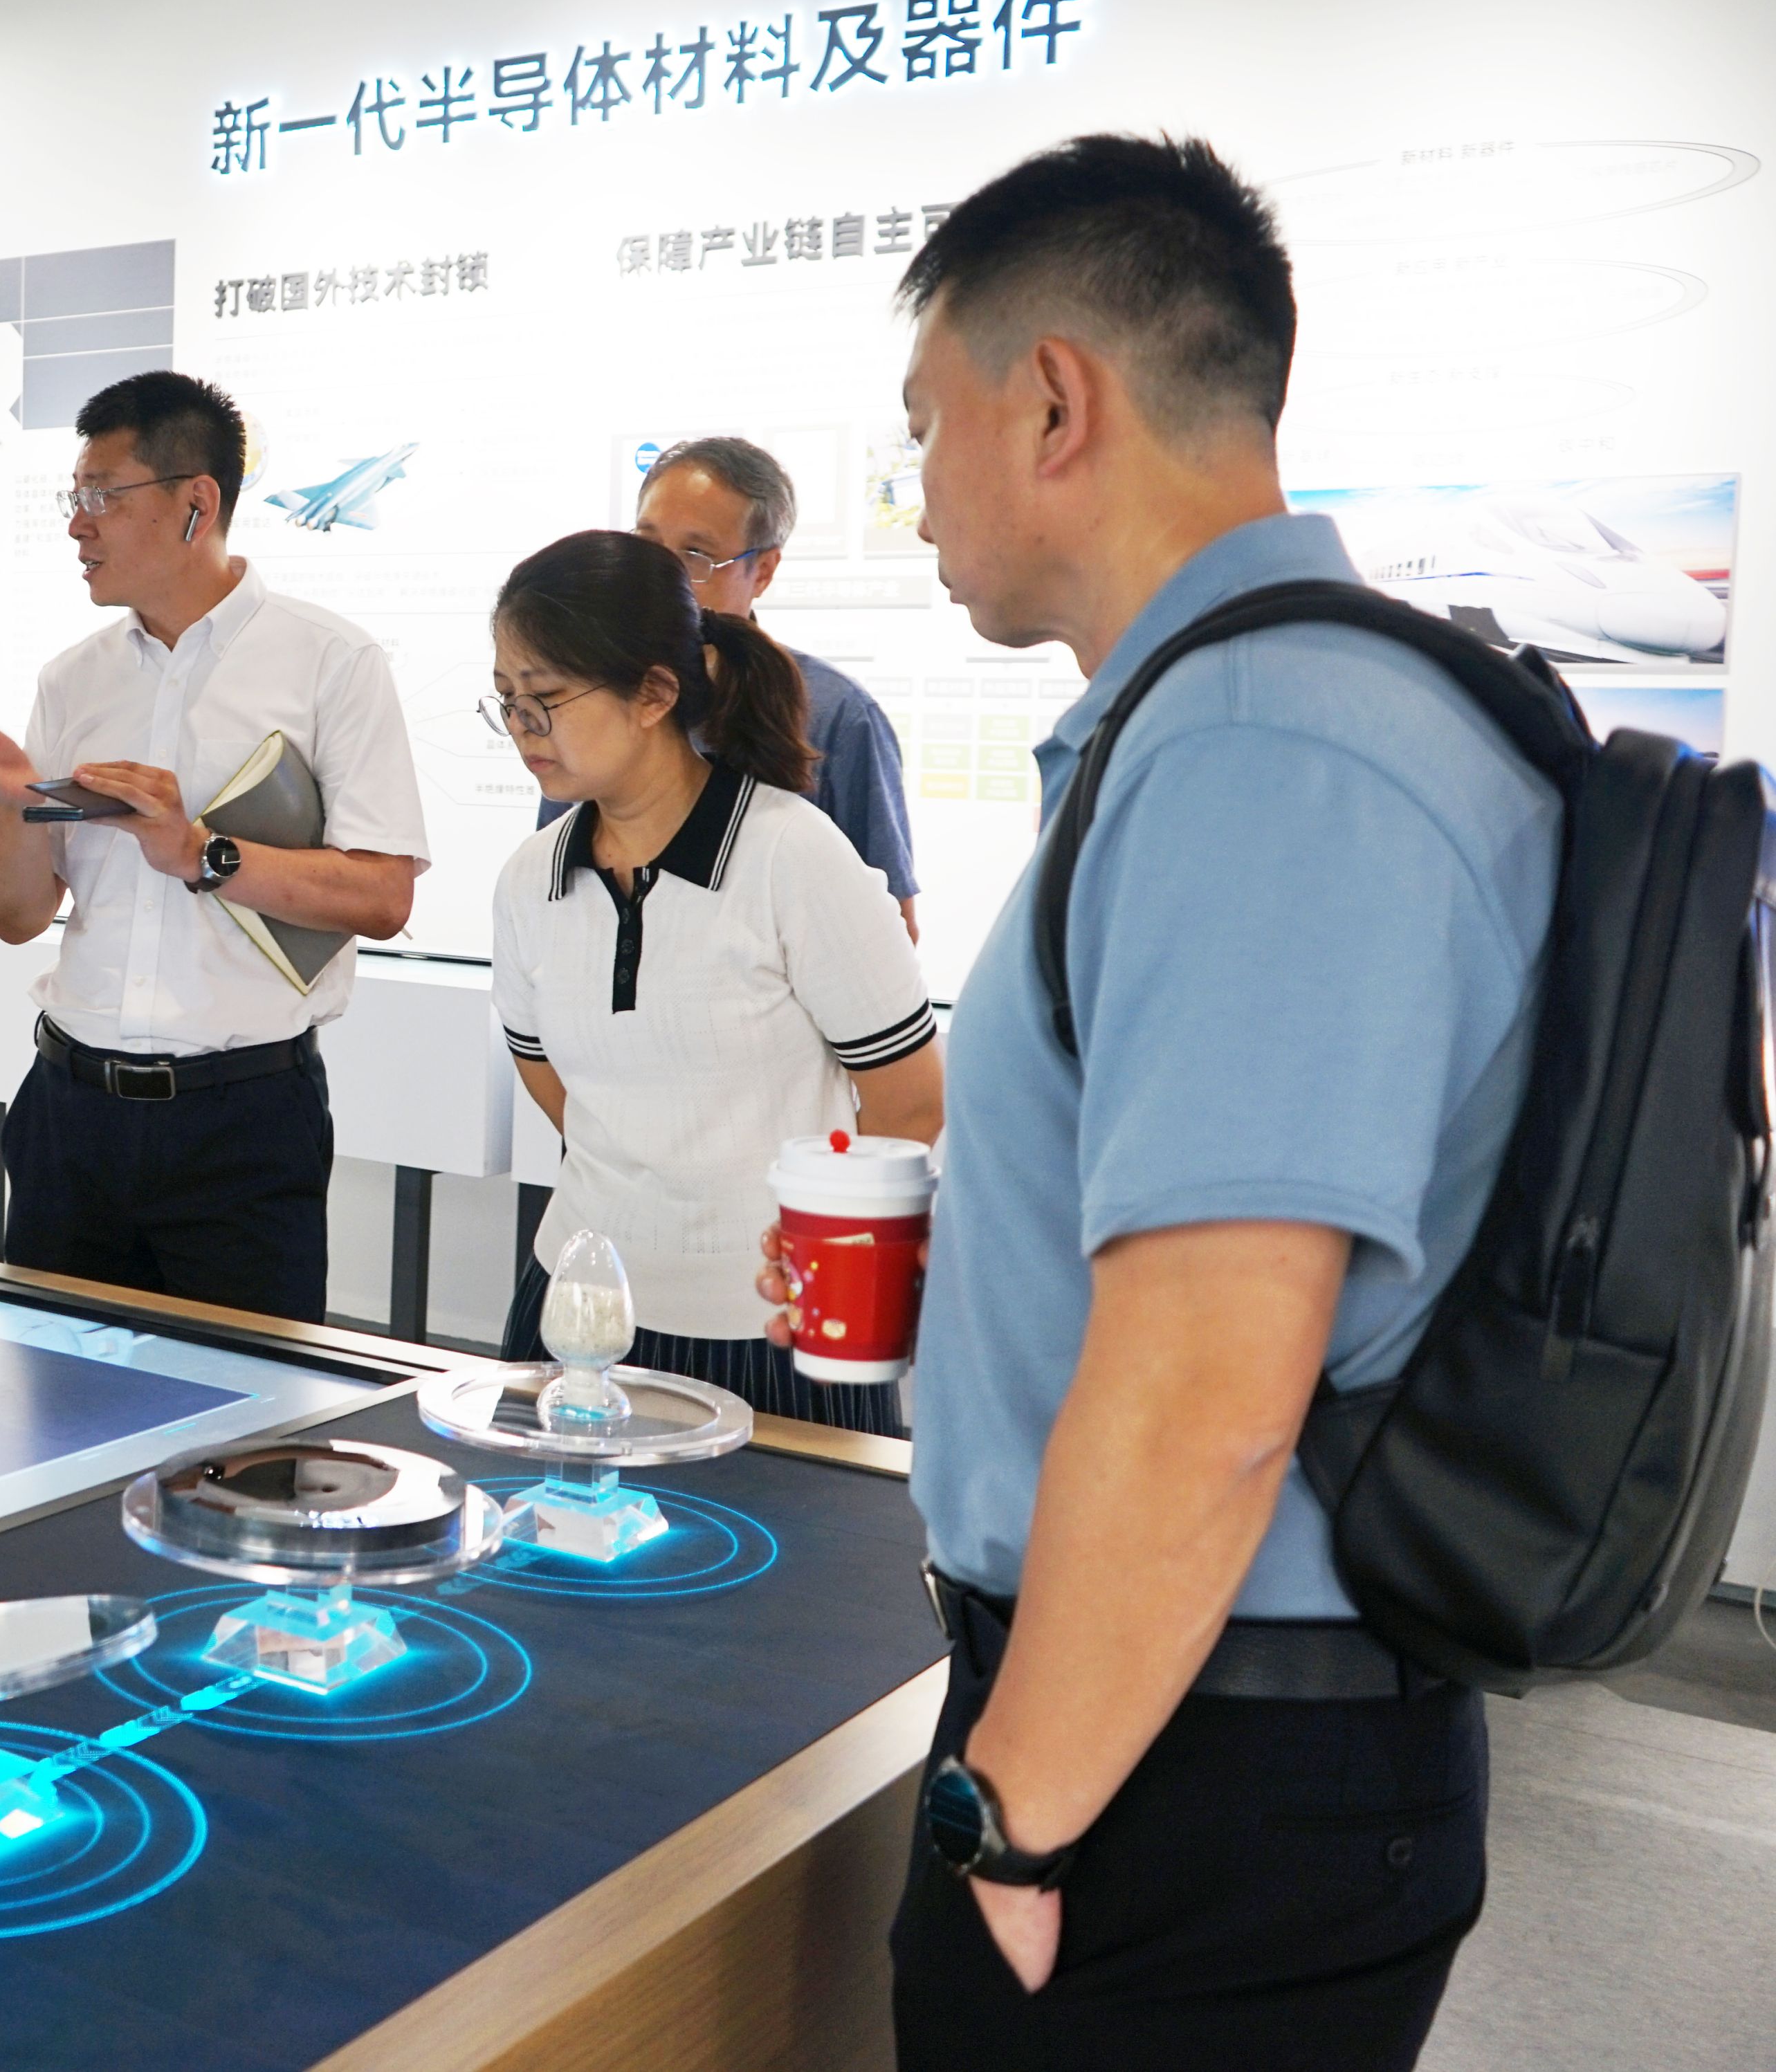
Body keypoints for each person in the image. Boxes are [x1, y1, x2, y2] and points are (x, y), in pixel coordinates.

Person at [769, 136, 1555, 2068]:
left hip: (1182, 1767)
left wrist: (1013, 1819)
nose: (918, 492)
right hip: (1205, 1725)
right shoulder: (1267, 715)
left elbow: (1212, 1390)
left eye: (924, 428)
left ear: (1054, 402)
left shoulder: (1260, 744)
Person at [0, 370, 429, 1323]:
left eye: (102, 498)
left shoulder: (331, 662)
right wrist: (16, 803)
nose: (76, 526)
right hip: (70, 1112)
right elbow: (16, 916)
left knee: (247, 1411)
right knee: (56, 1397)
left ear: (197, 503)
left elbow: (383, 897)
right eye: (74, 497)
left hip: (241, 1123)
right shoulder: (73, 679)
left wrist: (201, 851)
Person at [488, 531, 941, 1433]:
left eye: (544, 700)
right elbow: (549, 1078)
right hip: (576, 1314)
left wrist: (825, 1256)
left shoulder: (790, 855)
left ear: (654, 694)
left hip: (770, 1327)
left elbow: (913, 1103)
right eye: (504, 701)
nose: (521, 728)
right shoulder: (530, 877)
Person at [540, 437, 919, 935]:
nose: (661, 573)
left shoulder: (835, 715)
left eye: (697, 554)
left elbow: (890, 928)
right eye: (647, 544)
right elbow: (549, 892)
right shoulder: (588, 697)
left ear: (762, 571)